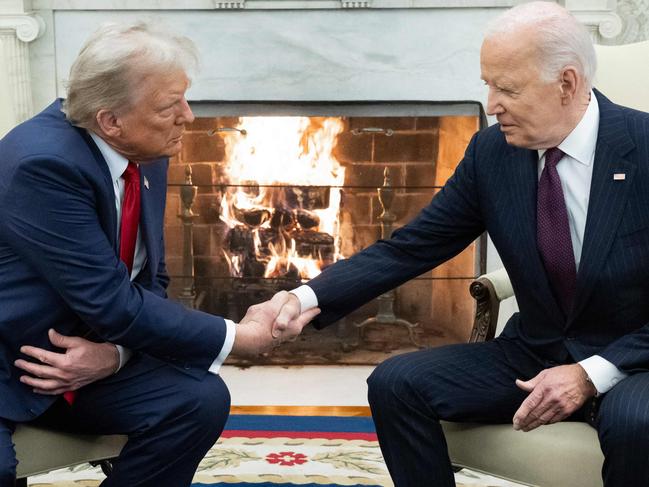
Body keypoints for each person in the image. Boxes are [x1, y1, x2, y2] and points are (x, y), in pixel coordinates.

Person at [270, 3, 649, 486]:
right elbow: (412, 247)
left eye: (507, 88)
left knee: (638, 424)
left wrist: (591, 374)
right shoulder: (492, 154)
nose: (491, 104)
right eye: (487, 84)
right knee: (396, 384)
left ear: (567, 84)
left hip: (633, 360)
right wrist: (305, 298)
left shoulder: (644, 146)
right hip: (536, 351)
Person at [0, 22, 317, 486]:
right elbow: (113, 301)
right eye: (171, 106)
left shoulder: (143, 151)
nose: (188, 116)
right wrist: (238, 337)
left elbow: (150, 279)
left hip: (82, 359)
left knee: (196, 400)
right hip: (9, 364)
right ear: (111, 120)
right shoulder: (43, 166)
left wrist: (115, 356)